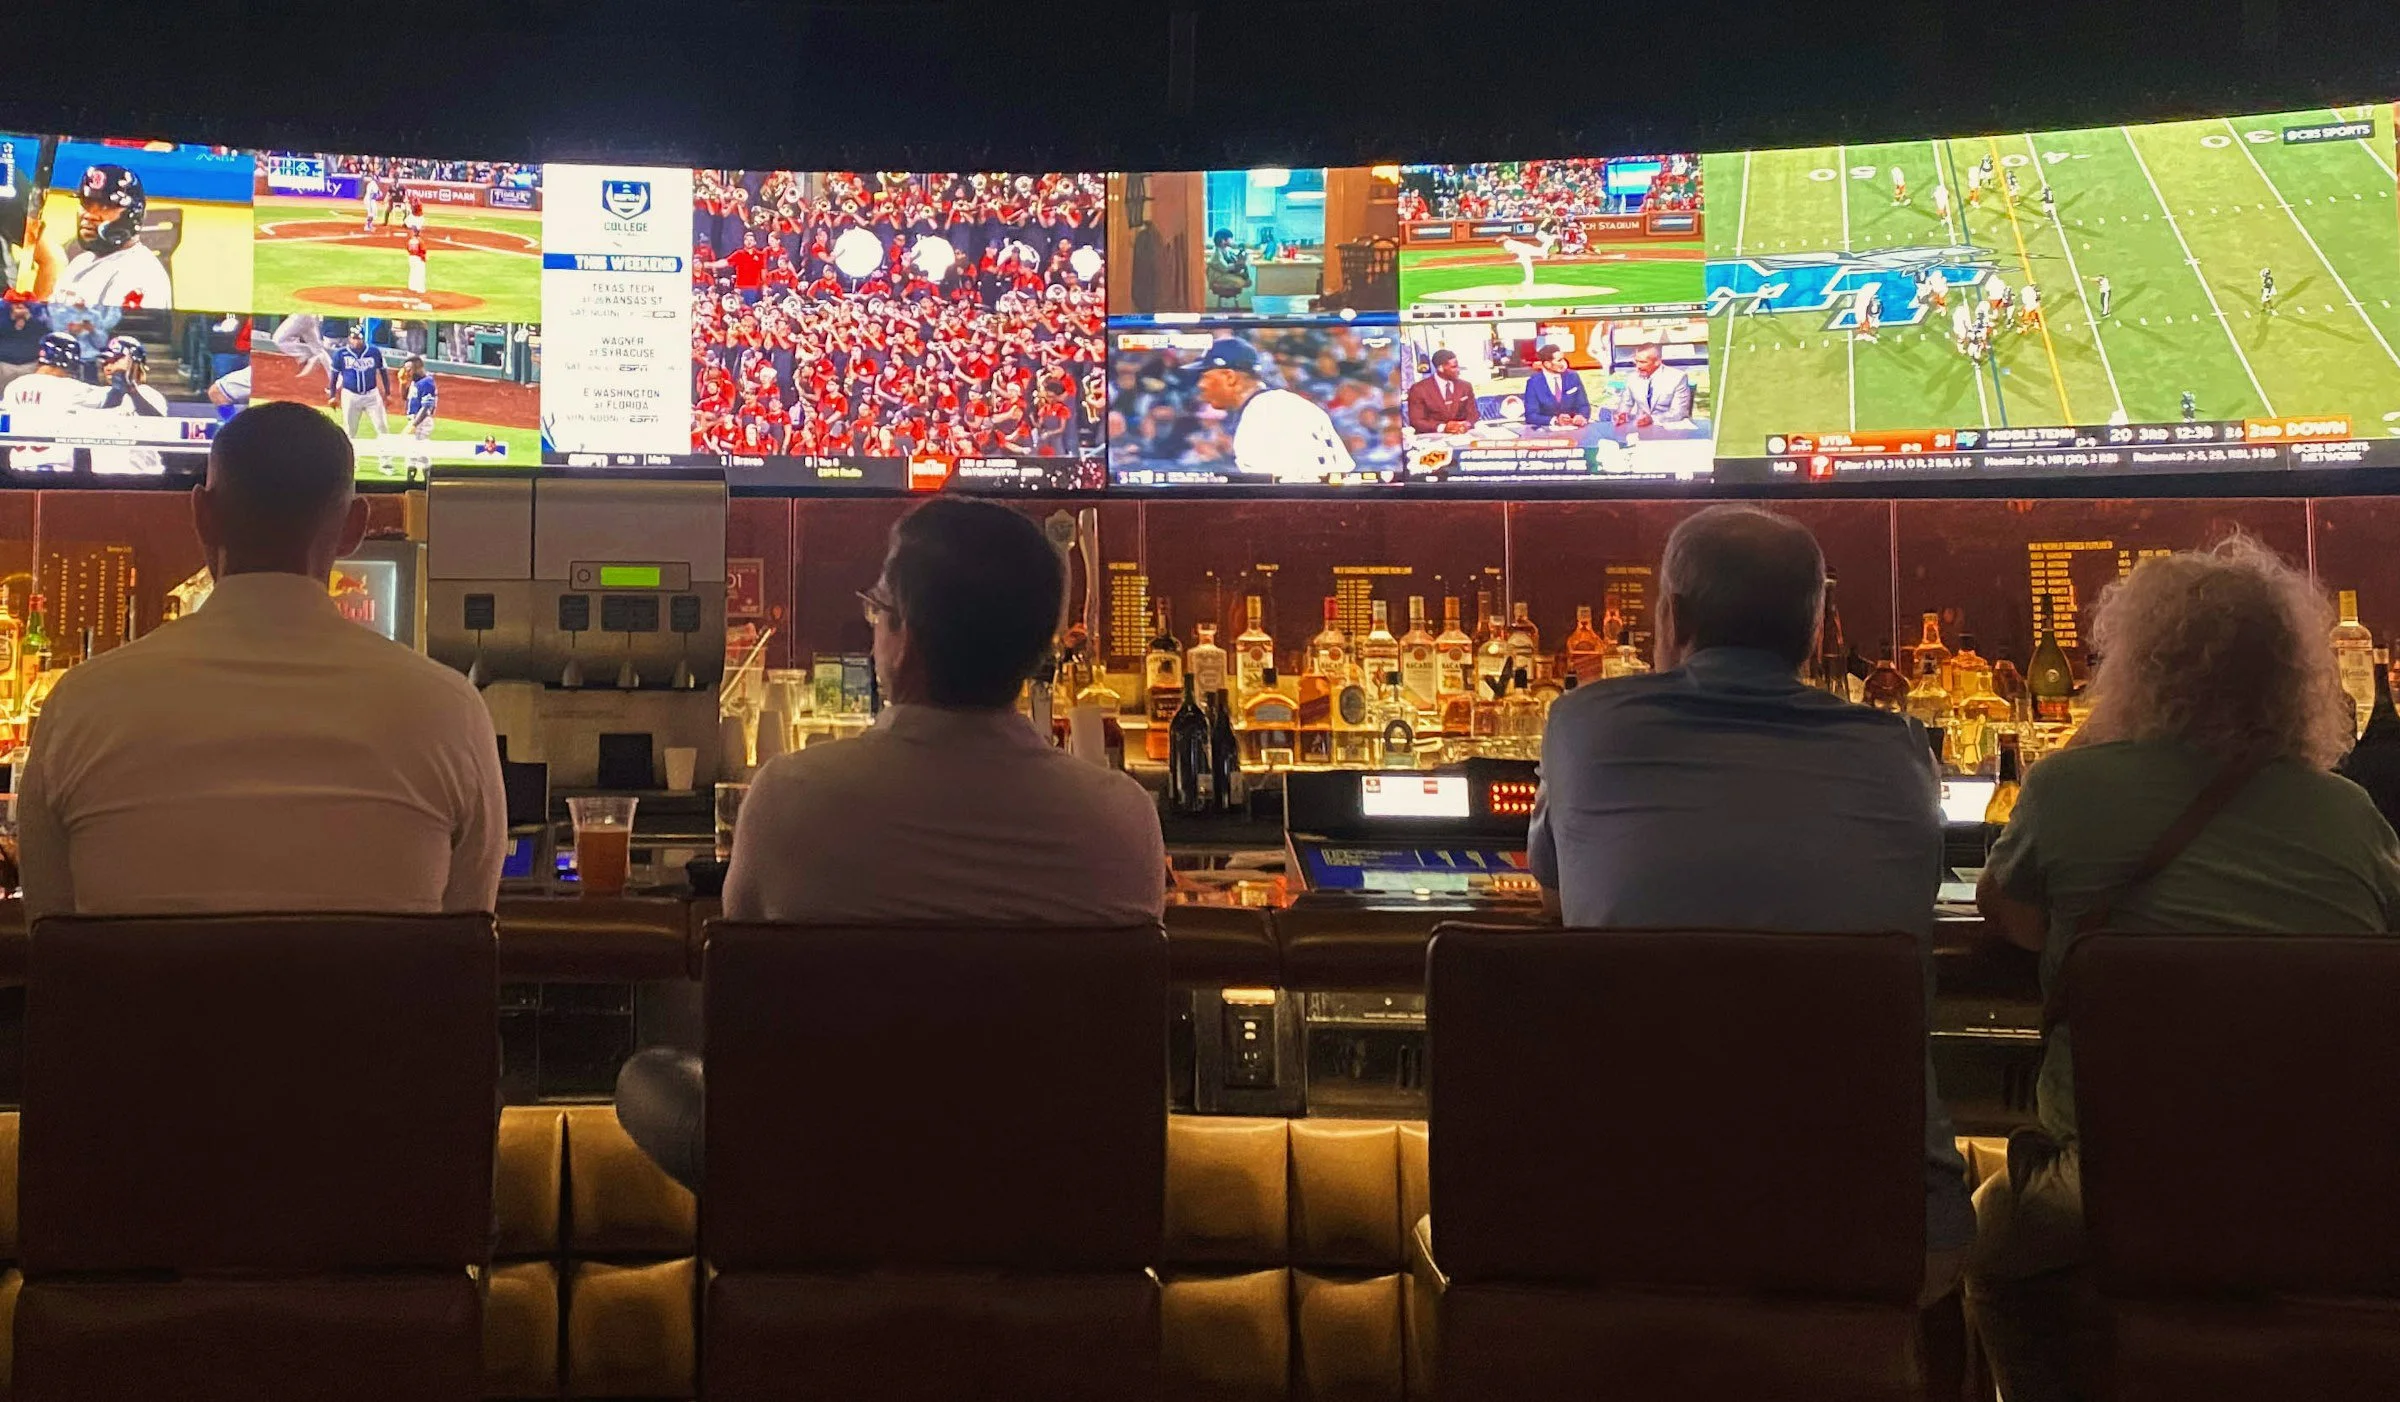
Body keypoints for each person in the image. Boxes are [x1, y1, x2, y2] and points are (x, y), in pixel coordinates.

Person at [615, 499, 1166, 1191]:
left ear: (902, 637)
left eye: (878, 610)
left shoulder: (791, 796)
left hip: (823, 1190)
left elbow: (738, 985)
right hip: (1051, 1197)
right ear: (1038, 646)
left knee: (646, 1077)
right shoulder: (1121, 817)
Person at [1969, 535, 2400, 1401]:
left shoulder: (2068, 789)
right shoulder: (2351, 815)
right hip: (2329, 1191)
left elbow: (2010, 917)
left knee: (1982, 1235)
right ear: (2296, 678)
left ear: (2133, 665)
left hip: (2113, 1188)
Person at [1528, 504, 1976, 1306]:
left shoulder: (1582, 725)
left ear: (1670, 617)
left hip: (1626, 1214)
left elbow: (1561, 895)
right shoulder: (1901, 751)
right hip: (1885, 1222)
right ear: (1818, 632)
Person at [16, 401, 506, 921]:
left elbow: (49, 933)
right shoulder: (448, 709)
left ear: (201, 515)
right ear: (355, 526)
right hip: (373, 983)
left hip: (139, 982)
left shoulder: (80, 705)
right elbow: (467, 934)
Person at [1190, 337, 1354, 482]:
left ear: (1230, 377)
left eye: (1205, 376)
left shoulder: (1259, 416)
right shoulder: (1292, 404)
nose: (1201, 385)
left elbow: (1271, 492)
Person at [54, 164, 173, 311]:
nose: (89, 215)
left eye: (105, 206)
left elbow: (122, 326)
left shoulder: (141, 274)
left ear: (133, 214)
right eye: (86, 204)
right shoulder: (80, 262)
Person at [2, 333, 94, 471]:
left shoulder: (14, 386)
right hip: (55, 469)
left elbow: (4, 427)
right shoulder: (70, 387)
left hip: (17, 468)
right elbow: (112, 398)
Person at [88, 334, 168, 475]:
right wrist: (117, 391)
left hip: (144, 477)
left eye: (115, 360)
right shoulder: (97, 395)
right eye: (106, 362)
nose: (108, 367)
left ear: (134, 362)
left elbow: (159, 425)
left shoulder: (150, 394)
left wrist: (131, 391)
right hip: (102, 477)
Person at [328, 325, 393, 464]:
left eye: (359, 338)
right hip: (350, 396)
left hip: (372, 395)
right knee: (350, 431)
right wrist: (332, 395)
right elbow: (334, 377)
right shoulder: (341, 354)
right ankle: (351, 462)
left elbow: (383, 372)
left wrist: (388, 393)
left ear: (364, 339)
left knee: (382, 427)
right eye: (354, 338)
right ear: (349, 338)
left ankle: (386, 462)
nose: (356, 341)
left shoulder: (374, 352)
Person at [1610, 343, 1694, 428]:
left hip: (1668, 428)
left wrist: (1652, 419)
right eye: (1636, 362)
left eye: (1643, 362)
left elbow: (1679, 413)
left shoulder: (1678, 378)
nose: (1638, 366)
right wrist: (1622, 415)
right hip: (1640, 428)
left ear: (1657, 362)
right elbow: (1625, 404)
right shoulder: (1632, 378)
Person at [1406, 348, 1481, 434]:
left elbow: (1473, 414)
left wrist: (1466, 425)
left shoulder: (1465, 386)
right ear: (1440, 368)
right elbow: (1416, 421)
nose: (1458, 370)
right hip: (1432, 437)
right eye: (1454, 367)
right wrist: (1443, 428)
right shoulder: (1419, 389)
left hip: (1461, 436)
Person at [1521, 343, 1590, 428]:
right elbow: (1531, 415)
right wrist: (1555, 420)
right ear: (1547, 364)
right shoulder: (1534, 382)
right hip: (1546, 432)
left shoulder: (1573, 376)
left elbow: (1584, 405)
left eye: (1564, 359)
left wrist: (1581, 416)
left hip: (1574, 429)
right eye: (1559, 360)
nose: (1564, 363)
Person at [1205, 227, 1252, 308]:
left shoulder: (1226, 250)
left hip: (1224, 275)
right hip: (1218, 277)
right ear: (1223, 240)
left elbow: (1233, 260)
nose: (1232, 241)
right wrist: (1238, 265)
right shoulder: (1216, 253)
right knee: (1241, 282)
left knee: (1247, 281)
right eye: (1230, 238)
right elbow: (1225, 268)